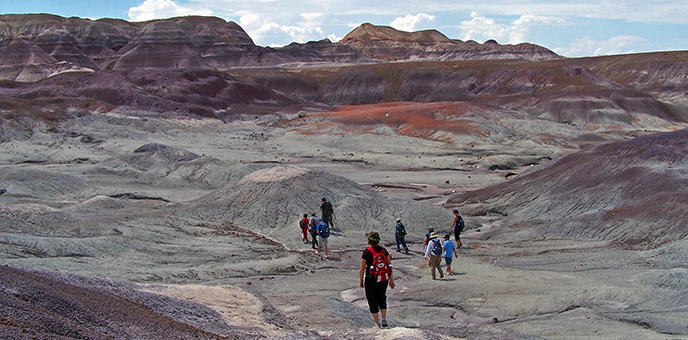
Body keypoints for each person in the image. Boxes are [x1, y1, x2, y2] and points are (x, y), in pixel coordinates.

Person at [359, 231, 394, 328]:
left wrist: (361, 280)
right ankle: (384, 319)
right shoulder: (384, 250)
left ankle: (376, 323)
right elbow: (389, 265)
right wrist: (391, 280)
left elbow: (362, 268)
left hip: (371, 279)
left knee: (372, 299)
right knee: (382, 297)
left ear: (369, 240)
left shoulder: (367, 252)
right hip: (383, 278)